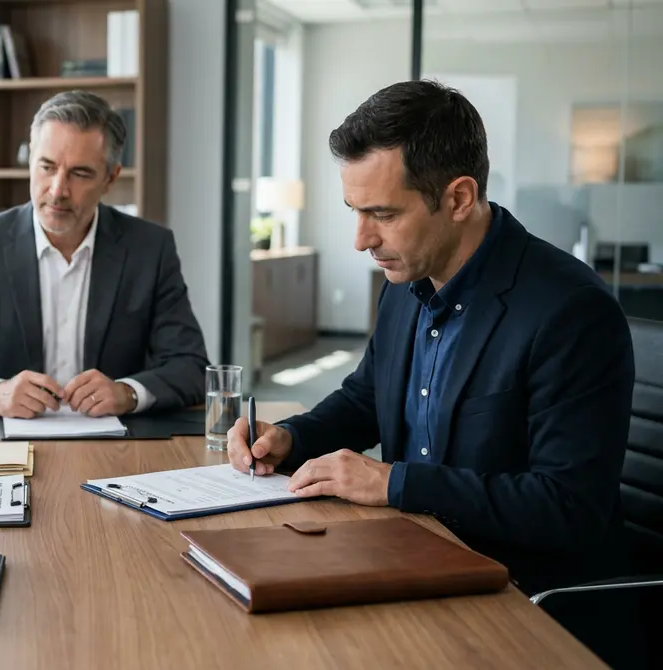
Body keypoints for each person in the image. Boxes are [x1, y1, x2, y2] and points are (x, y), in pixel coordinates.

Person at [228, 80, 634, 597]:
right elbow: (366, 399)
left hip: (519, 594)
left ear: (459, 197)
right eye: (355, 210)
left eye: (384, 214)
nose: (361, 240)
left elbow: (568, 506)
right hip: (410, 557)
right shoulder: (405, 283)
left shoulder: (570, 311)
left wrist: (393, 482)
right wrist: (291, 438)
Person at [0, 90, 209, 419]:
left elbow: (191, 367)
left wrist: (127, 393)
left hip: (116, 449)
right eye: (47, 167)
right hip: (5, 446)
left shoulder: (150, 249)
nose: (57, 190)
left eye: (79, 174)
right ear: (30, 160)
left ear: (111, 178)